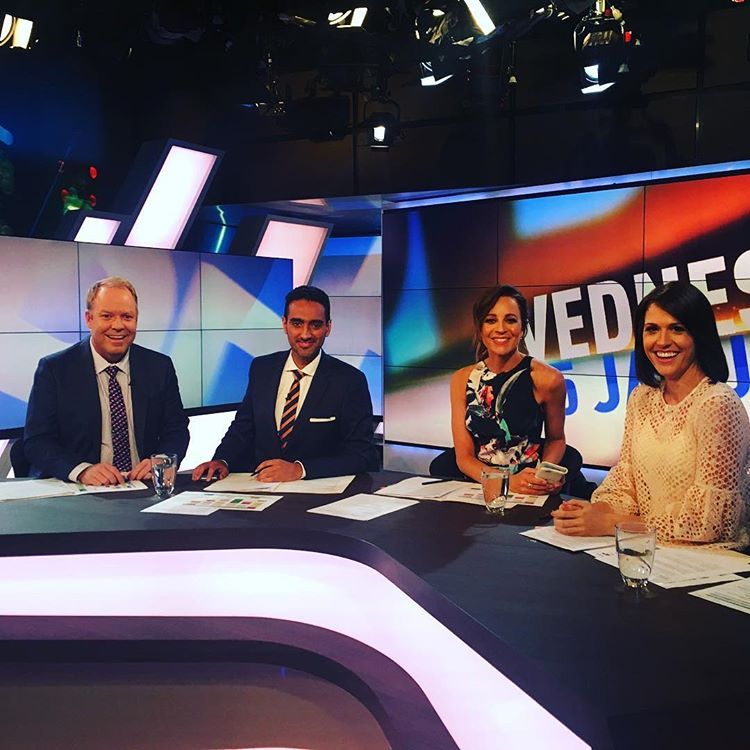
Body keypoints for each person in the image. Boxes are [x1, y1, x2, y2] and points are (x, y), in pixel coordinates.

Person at [553, 281, 750, 547]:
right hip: (643, 545)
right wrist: (595, 511)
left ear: (699, 335)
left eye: (677, 329)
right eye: (652, 329)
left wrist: (613, 524)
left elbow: (708, 524)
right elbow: (625, 480)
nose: (662, 341)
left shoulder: (717, 405)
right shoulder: (641, 398)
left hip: (706, 557)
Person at [192, 285, 377, 483]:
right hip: (261, 489)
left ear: (328, 327)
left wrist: (300, 470)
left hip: (316, 493)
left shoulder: (349, 381)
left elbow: (362, 455)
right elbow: (243, 428)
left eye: (315, 325)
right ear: (284, 324)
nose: (305, 334)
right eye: (297, 323)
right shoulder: (262, 368)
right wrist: (223, 460)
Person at [23, 276, 190, 486]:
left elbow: (176, 428)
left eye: (127, 316)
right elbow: (37, 441)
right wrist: (82, 471)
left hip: (143, 486)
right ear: (89, 319)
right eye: (107, 316)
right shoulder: (55, 370)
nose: (118, 326)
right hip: (82, 489)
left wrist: (163, 461)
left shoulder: (159, 367)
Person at [444, 284, 568, 494]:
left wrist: (543, 476)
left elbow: (556, 439)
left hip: (528, 485)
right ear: (480, 328)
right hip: (479, 485)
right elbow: (464, 458)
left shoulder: (548, 379)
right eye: (491, 320)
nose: (501, 328)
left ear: (523, 328)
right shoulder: (461, 380)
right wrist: (504, 481)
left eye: (510, 320)